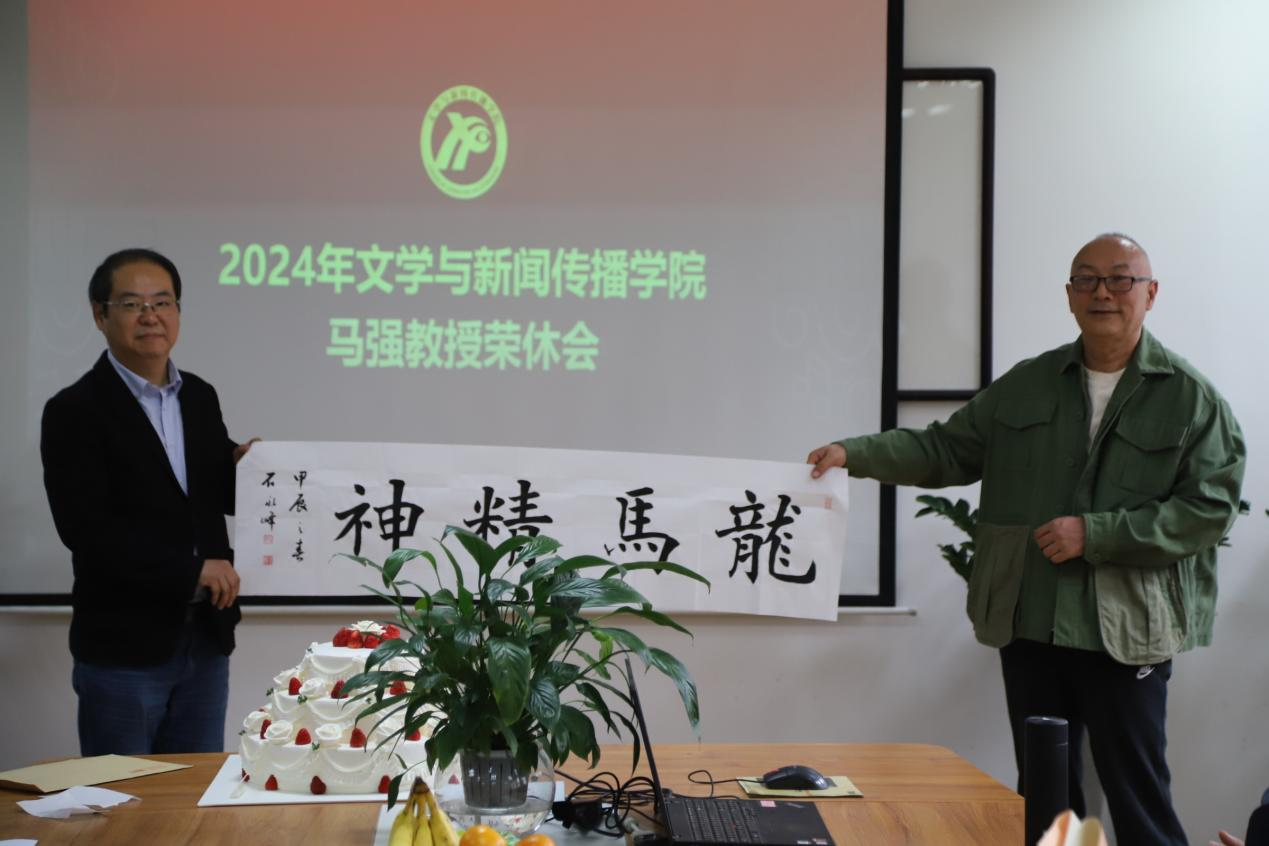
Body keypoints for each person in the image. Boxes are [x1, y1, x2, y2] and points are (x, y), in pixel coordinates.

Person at [807, 233, 1245, 845]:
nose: (1102, 292)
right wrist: (854, 454)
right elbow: (944, 449)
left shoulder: (1191, 398)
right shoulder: (1028, 384)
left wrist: (1097, 534)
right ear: (1069, 294)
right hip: (1033, 621)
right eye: (1086, 279)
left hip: (1128, 631)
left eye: (1120, 279)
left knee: (1138, 796)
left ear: (1150, 294)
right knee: (1045, 797)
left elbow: (1209, 509)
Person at [41, 248, 256, 755]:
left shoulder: (198, 396)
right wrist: (192, 569)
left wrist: (255, 471)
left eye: (162, 302)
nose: (150, 316)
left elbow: (210, 491)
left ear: (177, 311)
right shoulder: (74, 410)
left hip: (206, 640)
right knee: (122, 794)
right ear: (100, 315)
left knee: (195, 794)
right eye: (132, 304)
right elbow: (86, 532)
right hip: (123, 648)